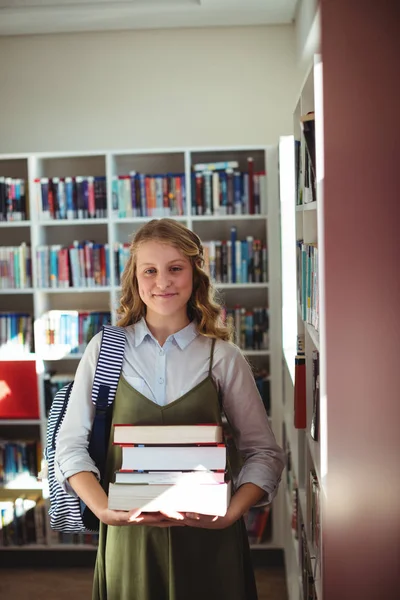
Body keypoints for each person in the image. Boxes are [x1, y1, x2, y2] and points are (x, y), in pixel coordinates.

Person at [55, 218, 285, 600]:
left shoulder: (222, 357)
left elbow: (264, 452)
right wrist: (104, 511)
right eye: (150, 270)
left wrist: (231, 514)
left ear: (195, 274)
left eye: (175, 268)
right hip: (129, 539)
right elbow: (70, 445)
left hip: (209, 539)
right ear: (135, 278)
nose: (162, 282)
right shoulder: (106, 348)